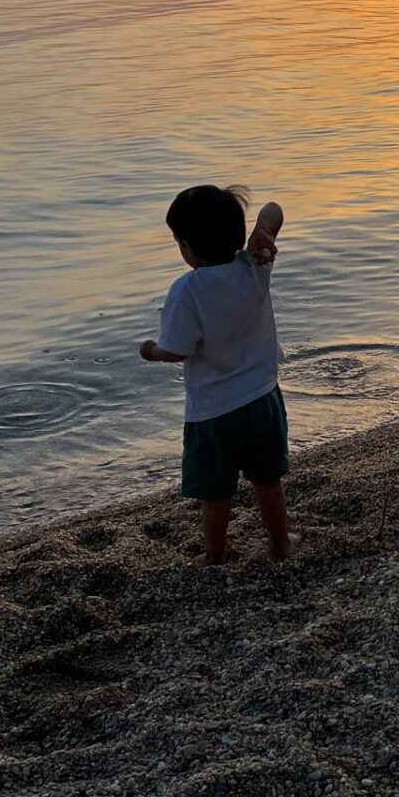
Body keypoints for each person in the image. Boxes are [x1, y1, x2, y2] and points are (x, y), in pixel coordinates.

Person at [139, 184, 298, 565]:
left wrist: (151, 351)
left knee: (216, 493)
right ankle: (280, 545)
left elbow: (179, 349)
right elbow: (275, 209)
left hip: (213, 412)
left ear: (187, 247)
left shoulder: (187, 290)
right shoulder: (255, 266)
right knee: (267, 481)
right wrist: (263, 229)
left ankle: (215, 555)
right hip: (262, 400)